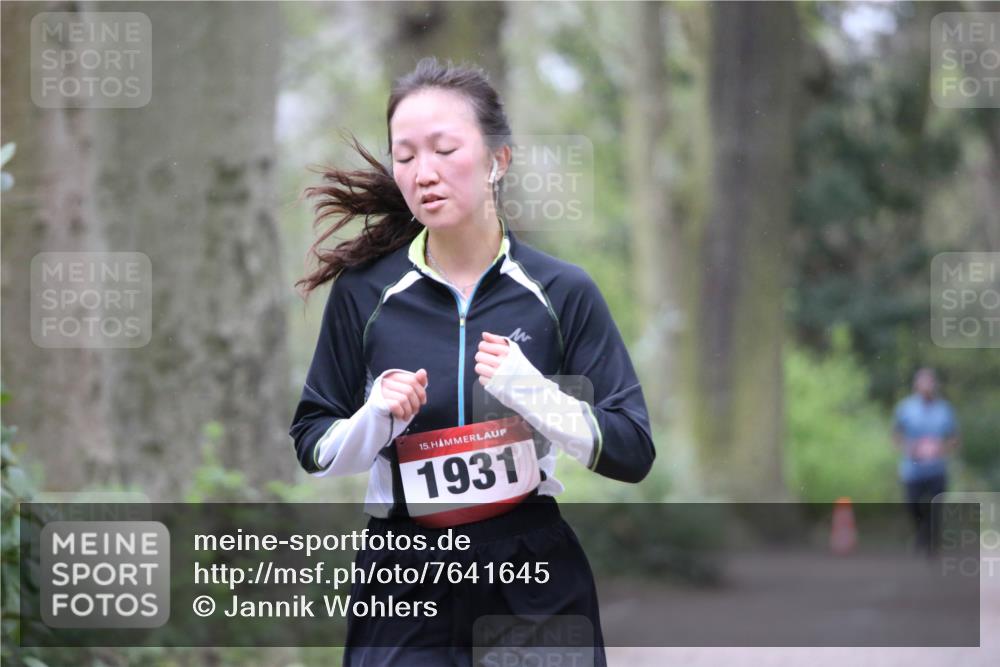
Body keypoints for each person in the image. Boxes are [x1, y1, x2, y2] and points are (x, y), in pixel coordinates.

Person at [288, 57, 655, 666]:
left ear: (497, 159)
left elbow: (633, 448)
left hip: (529, 572)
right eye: (404, 157)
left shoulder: (561, 292)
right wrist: (374, 418)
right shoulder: (365, 293)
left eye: (444, 150)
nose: (423, 173)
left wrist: (534, 393)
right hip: (403, 574)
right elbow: (311, 440)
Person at [892, 367, 960, 556]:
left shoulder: (945, 409)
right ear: (916, 385)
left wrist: (941, 448)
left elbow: (955, 438)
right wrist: (911, 448)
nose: (927, 387)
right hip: (912, 470)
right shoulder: (905, 409)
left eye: (930, 382)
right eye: (923, 382)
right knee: (913, 506)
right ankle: (922, 535)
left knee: (935, 507)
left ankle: (931, 543)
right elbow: (896, 436)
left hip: (937, 469)